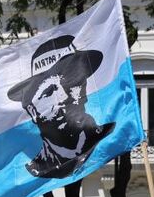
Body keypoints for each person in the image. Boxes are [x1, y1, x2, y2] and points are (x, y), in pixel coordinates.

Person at [7, 35, 115, 179]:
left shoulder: (110, 138)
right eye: (49, 92)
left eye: (72, 83)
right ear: (33, 110)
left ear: (84, 88)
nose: (64, 97)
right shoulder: (37, 169)